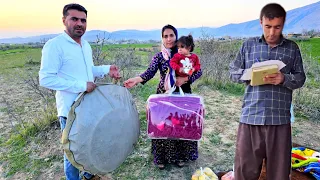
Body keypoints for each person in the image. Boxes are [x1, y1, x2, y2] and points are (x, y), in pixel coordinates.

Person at [39, 3, 120, 180]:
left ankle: (89, 175)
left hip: (88, 107)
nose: (79, 23)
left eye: (83, 20)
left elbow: (88, 70)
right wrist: (81, 86)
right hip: (70, 110)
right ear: (64, 20)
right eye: (74, 19)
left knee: (90, 144)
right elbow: (45, 79)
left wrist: (108, 68)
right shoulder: (55, 45)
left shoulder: (85, 45)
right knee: (72, 153)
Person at [229, 3, 306, 180]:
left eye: (277, 27)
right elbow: (233, 72)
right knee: (244, 171)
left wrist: (284, 79)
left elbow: (300, 78)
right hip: (250, 116)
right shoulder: (248, 46)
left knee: (279, 173)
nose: (272, 33)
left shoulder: (292, 48)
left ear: (283, 24)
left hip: (279, 120)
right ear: (260, 22)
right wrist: (249, 75)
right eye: (268, 27)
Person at [124, 24, 202, 169]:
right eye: (165, 36)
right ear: (162, 38)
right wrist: (136, 79)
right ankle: (162, 156)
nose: (168, 39)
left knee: (181, 123)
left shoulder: (185, 53)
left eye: (171, 35)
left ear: (176, 36)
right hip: (164, 95)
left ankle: (181, 156)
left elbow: (198, 72)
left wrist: (184, 80)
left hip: (182, 93)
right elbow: (149, 72)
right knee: (164, 124)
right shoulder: (160, 56)